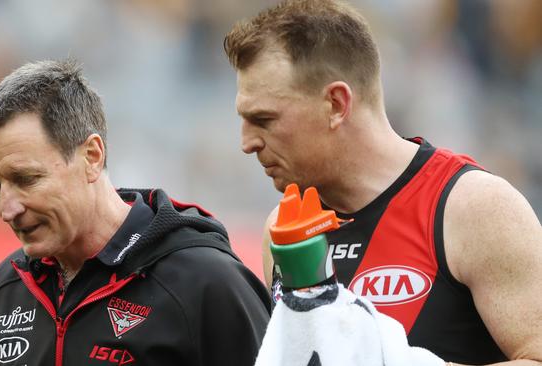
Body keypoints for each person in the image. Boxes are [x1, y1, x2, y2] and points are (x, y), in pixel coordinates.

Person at [223, 0, 542, 364]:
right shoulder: (282, 231)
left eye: (264, 119)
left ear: (336, 104)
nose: (246, 143)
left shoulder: (473, 207)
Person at [0, 60, 271, 366]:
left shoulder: (206, 283)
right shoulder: (6, 290)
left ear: (92, 157)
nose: (7, 209)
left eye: (26, 179)